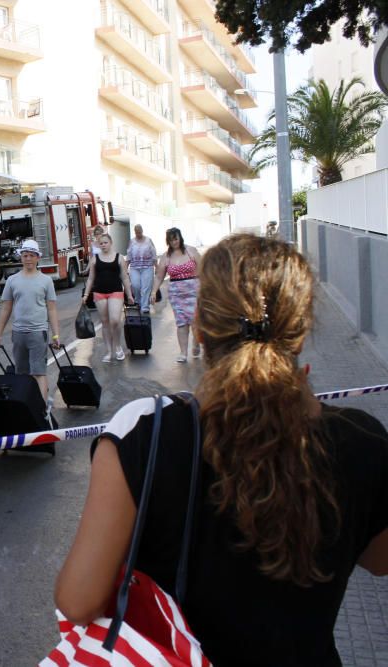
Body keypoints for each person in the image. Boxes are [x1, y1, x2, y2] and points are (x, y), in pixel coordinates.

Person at [54, 234, 388, 666]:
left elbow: (78, 602)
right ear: (300, 333)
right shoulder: (363, 439)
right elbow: (380, 562)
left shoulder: (145, 432)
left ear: (204, 330)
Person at [0, 238, 61, 408]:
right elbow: (6, 309)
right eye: (25, 255)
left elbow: (51, 309)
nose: (28, 258)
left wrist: (56, 334)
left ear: (38, 258)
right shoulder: (12, 281)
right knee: (21, 374)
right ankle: (27, 409)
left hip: (39, 333)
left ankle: (43, 410)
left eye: (31, 255)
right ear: (20, 257)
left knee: (38, 373)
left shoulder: (46, 281)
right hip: (18, 333)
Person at [81, 233, 134, 362]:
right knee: (105, 322)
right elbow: (91, 278)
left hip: (116, 291)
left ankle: (118, 346)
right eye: (101, 243)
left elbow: (125, 277)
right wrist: (86, 294)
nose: (103, 245)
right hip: (99, 293)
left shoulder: (119, 257)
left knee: (115, 320)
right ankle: (109, 351)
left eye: (106, 242)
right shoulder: (95, 259)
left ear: (111, 243)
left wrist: (129, 294)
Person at [151, 228, 201, 363]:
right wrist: (154, 291)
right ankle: (183, 352)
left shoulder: (191, 251)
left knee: (195, 321)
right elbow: (159, 276)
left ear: (180, 238)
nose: (174, 242)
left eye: (176, 238)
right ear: (168, 241)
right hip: (176, 293)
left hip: (193, 291)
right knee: (181, 323)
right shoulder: (166, 256)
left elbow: (203, 269)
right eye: (171, 239)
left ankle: (196, 343)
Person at [125, 224, 157, 314]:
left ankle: (145, 307)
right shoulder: (132, 242)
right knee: (135, 285)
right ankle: (138, 301)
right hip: (135, 267)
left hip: (147, 267)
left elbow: (154, 254)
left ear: (142, 231)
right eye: (137, 232)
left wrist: (156, 266)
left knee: (145, 288)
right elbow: (128, 255)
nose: (139, 234)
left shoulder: (148, 240)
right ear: (135, 232)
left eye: (140, 232)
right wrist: (125, 267)